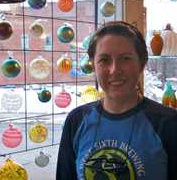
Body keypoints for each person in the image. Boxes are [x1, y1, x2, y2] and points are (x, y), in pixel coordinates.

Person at [56, 21, 177, 180]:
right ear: (93, 65)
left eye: (125, 58)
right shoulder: (77, 121)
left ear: (141, 63)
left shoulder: (169, 123)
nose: (114, 70)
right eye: (104, 60)